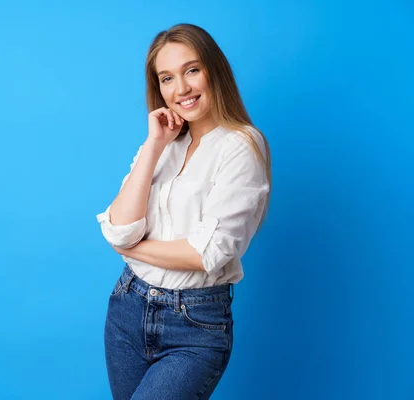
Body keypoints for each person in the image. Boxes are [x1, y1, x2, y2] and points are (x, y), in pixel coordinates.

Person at [96, 23, 272, 399]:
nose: (182, 89)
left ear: (214, 70)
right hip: (128, 308)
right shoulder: (164, 145)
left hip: (194, 324)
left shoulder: (240, 145)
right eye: (167, 78)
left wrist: (132, 249)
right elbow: (119, 228)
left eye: (192, 70)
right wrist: (154, 144)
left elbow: (207, 252)